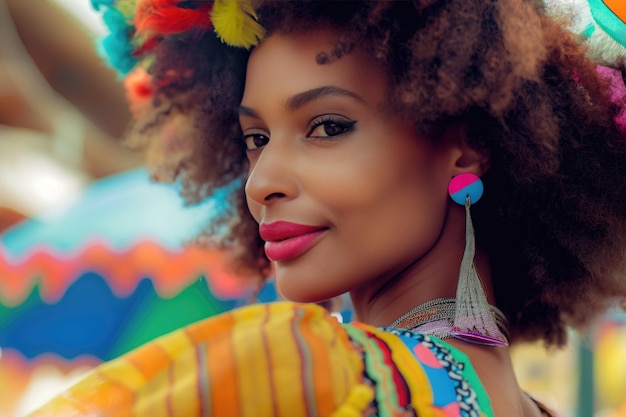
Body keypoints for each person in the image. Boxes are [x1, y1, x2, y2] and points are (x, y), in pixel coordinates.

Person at [28, 1, 626, 416]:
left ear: (466, 147)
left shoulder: (300, 369)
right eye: (255, 139)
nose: (262, 182)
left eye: (327, 126)